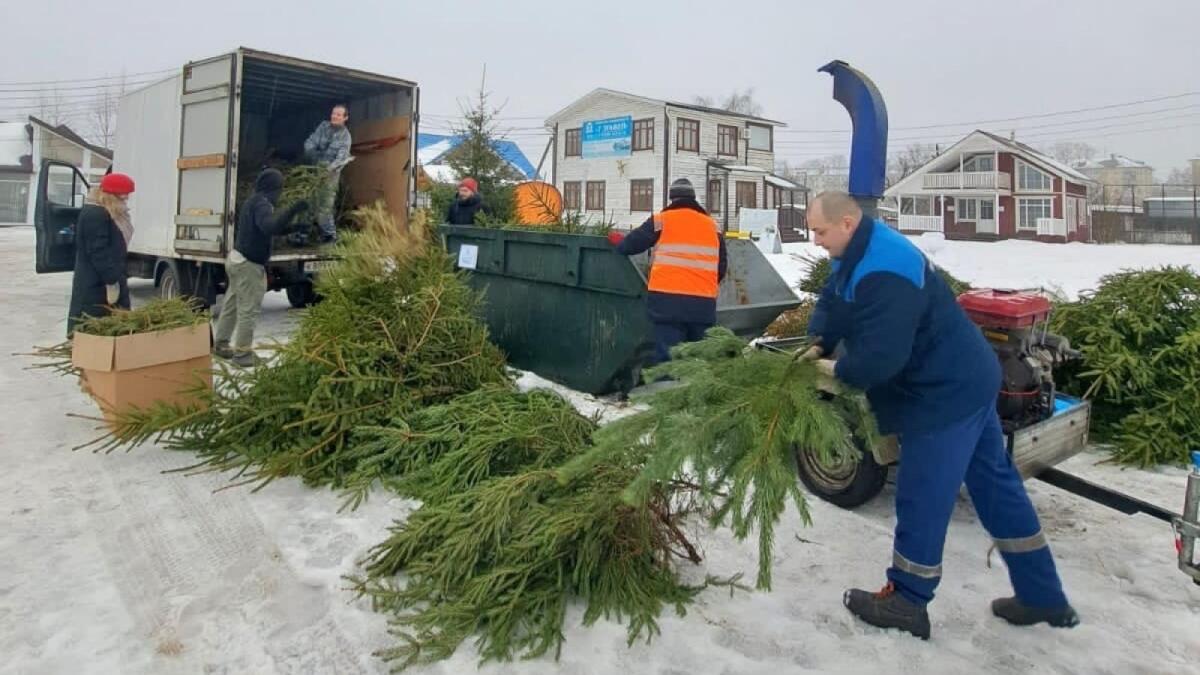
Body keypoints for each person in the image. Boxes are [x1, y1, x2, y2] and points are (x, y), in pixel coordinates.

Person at [802, 191, 1077, 640]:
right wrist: (817, 337)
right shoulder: (859, 249)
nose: (815, 240)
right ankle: (1042, 593)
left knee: (923, 494)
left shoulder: (885, 268)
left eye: (819, 231)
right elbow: (835, 298)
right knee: (996, 487)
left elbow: (880, 360)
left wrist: (834, 368)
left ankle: (908, 601)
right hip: (969, 377)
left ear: (847, 223)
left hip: (944, 393)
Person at [607, 178, 728, 364]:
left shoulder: (662, 220)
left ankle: (666, 389)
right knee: (700, 362)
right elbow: (721, 268)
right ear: (693, 199)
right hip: (702, 306)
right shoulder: (713, 226)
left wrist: (618, 241)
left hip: (667, 303)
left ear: (672, 198)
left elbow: (631, 245)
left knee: (667, 360)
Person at [213, 169, 309, 367]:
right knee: (249, 310)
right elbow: (269, 227)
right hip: (248, 265)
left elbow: (265, 229)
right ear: (273, 188)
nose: (280, 193)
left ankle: (221, 344)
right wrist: (293, 210)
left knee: (232, 303)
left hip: (236, 259)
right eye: (279, 189)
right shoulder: (263, 204)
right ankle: (242, 356)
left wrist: (294, 228)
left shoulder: (253, 201)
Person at [67, 173, 135, 336]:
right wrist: (111, 281)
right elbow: (98, 252)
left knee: (112, 328)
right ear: (111, 195)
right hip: (96, 284)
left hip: (105, 279)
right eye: (123, 195)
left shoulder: (108, 212)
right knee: (94, 328)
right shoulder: (96, 214)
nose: (126, 199)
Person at [303, 103, 352, 243]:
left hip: (330, 175)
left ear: (345, 118)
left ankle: (329, 236)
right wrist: (312, 153)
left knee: (325, 206)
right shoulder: (323, 126)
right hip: (314, 171)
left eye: (338, 114)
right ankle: (302, 233)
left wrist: (327, 170)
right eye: (333, 113)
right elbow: (310, 142)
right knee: (308, 202)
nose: (334, 116)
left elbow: (341, 160)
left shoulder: (345, 137)